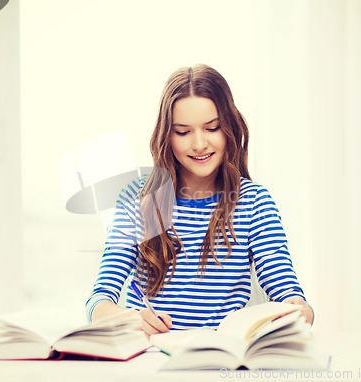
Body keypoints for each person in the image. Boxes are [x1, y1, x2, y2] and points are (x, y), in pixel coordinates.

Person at [86, 64, 314, 335]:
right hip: (148, 360)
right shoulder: (136, 199)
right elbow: (99, 301)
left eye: (212, 128)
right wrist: (127, 318)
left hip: (220, 360)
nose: (199, 144)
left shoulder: (254, 202)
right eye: (183, 132)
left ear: (229, 128)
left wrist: (298, 310)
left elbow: (286, 290)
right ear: (166, 136)